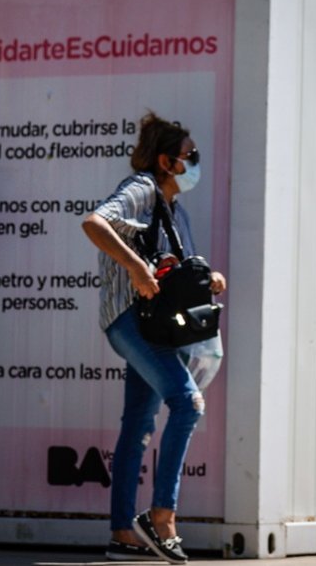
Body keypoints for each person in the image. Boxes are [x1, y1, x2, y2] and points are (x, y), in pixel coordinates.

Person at [81, 112, 226, 564]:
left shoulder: (175, 211)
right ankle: (162, 517)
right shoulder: (142, 188)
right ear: (166, 161)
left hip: (156, 326)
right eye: (189, 155)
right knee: (188, 403)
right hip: (130, 319)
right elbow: (94, 223)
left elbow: (176, 270)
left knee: (138, 425)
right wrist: (135, 268)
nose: (195, 162)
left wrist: (207, 278)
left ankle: (123, 535)